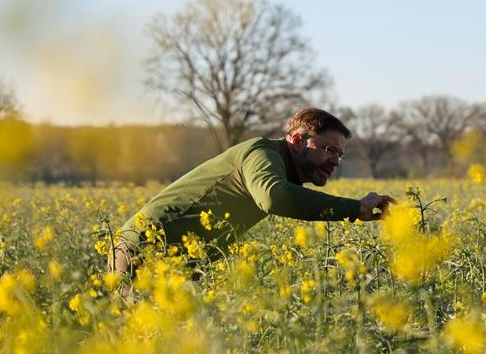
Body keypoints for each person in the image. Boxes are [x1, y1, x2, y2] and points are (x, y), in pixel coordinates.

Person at [112, 108, 395, 276]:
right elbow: (273, 197)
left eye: (340, 155)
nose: (335, 160)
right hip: (146, 249)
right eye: (329, 149)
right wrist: (354, 209)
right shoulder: (262, 153)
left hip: (176, 262)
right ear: (297, 140)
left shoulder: (282, 168)